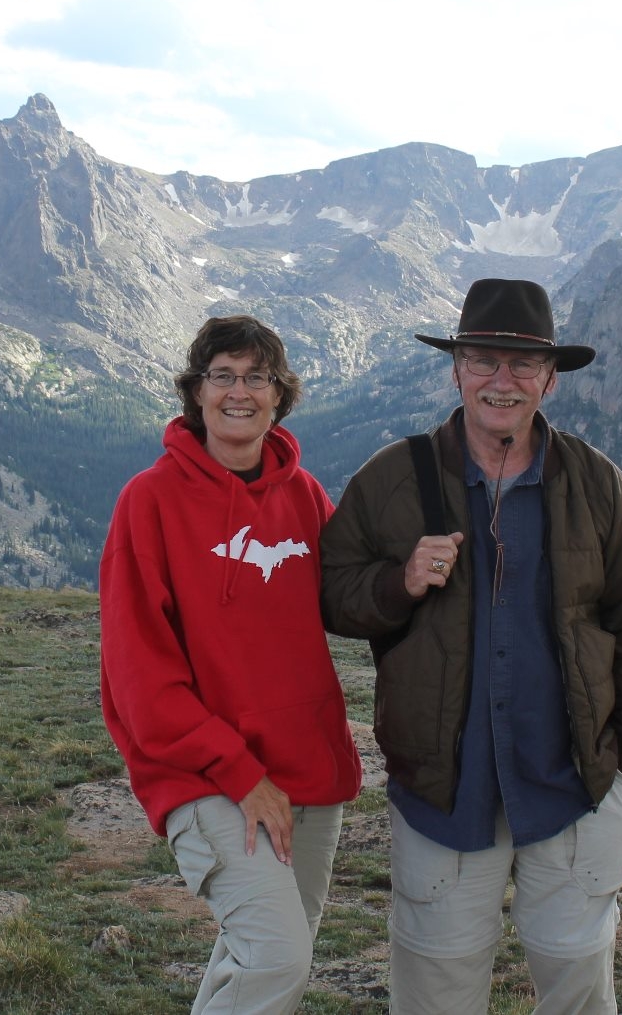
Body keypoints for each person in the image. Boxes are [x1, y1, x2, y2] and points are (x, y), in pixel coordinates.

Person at [320, 278, 622, 1015]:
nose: (502, 380)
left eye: (522, 364)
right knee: (436, 991)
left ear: (550, 377)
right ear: (456, 368)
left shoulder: (598, 485)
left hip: (577, 788)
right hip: (445, 797)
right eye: (484, 358)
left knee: (578, 984)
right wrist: (398, 583)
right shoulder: (394, 479)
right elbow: (331, 591)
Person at [100, 314, 363, 1015]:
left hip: (307, 773)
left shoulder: (303, 496)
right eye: (223, 376)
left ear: (280, 395)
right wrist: (241, 774)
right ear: (197, 391)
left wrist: (416, 572)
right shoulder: (149, 501)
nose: (239, 392)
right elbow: (140, 681)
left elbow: (353, 597)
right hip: (207, 776)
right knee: (275, 956)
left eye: (257, 377)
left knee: (266, 958)